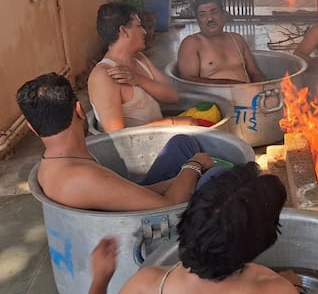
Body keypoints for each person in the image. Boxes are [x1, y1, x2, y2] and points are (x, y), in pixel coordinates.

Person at [81, 164, 318, 294]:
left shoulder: (145, 287)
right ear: (260, 243)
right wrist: (297, 291)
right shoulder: (276, 292)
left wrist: (101, 279)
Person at [17, 73, 226, 211]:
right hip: (142, 226)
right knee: (218, 176)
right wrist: (195, 165)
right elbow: (170, 204)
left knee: (182, 143)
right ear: (80, 110)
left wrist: (181, 178)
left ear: (33, 129)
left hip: (123, 201)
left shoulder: (58, 160)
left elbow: (123, 193)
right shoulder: (83, 177)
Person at [88, 3, 197, 131]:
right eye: (139, 26)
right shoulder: (103, 76)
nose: (144, 31)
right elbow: (117, 138)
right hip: (138, 150)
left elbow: (172, 96)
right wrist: (170, 122)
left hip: (160, 138)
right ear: (123, 31)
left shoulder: (139, 58)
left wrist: (139, 80)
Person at [177, 0, 265, 84]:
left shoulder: (237, 39)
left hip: (247, 93)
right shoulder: (191, 43)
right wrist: (229, 85)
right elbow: (188, 80)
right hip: (213, 97)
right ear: (197, 19)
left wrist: (262, 88)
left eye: (214, 12)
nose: (210, 18)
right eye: (203, 15)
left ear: (224, 14)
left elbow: (254, 72)